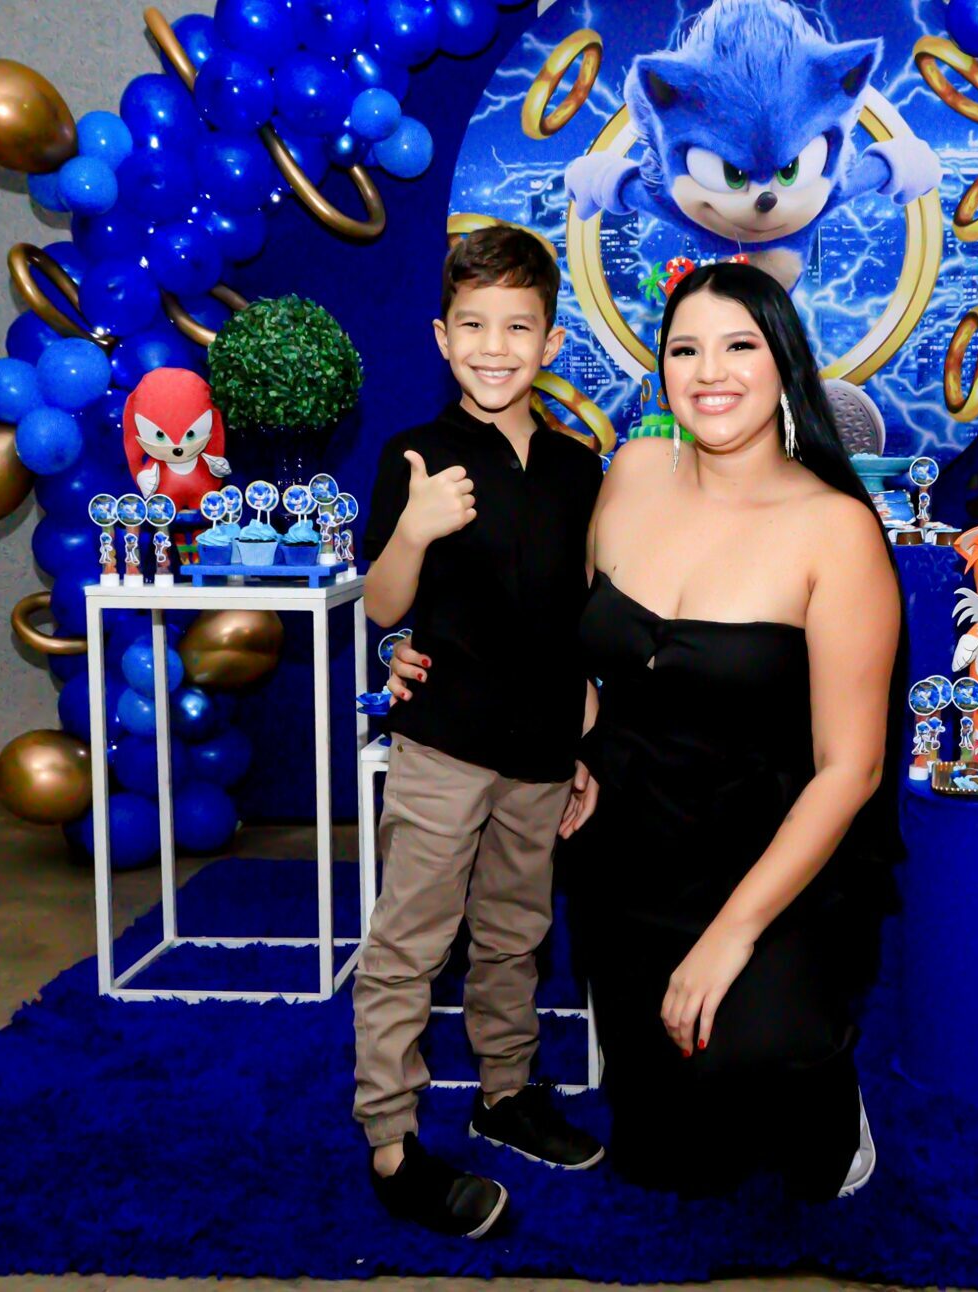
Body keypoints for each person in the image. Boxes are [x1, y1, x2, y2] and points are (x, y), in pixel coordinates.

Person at [387, 261, 905, 1199]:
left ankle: (827, 1085)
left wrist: (732, 938)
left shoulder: (838, 529)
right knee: (672, 1164)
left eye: (739, 345)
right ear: (661, 368)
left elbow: (851, 769)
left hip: (769, 859)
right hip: (630, 847)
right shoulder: (627, 474)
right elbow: (549, 621)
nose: (711, 371)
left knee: (770, 1104)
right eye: (685, 349)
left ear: (785, 362)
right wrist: (430, 654)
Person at [353, 226, 605, 1241]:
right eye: (473, 325)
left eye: (517, 326)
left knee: (515, 933)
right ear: (441, 336)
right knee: (411, 939)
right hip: (445, 743)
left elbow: (581, 612)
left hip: (541, 749)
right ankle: (390, 1139)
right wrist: (414, 529)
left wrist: (587, 736)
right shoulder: (414, 457)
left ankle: (505, 1093)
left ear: (550, 341)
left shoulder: (580, 468)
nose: (494, 347)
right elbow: (383, 607)